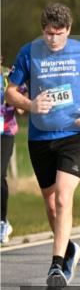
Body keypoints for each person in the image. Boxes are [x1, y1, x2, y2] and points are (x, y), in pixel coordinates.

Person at [5, 3, 80, 289]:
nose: (54, 39)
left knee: (63, 198)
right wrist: (30, 104)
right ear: (43, 30)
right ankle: (69, 248)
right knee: (51, 206)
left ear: (69, 30)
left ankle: (56, 264)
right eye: (49, 33)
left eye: (59, 33)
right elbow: (10, 92)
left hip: (72, 134)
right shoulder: (29, 52)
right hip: (40, 138)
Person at [1, 58, 22, 244]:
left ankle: (2, 221)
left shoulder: (9, 75)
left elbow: (22, 102)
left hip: (5, 132)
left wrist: (16, 102)